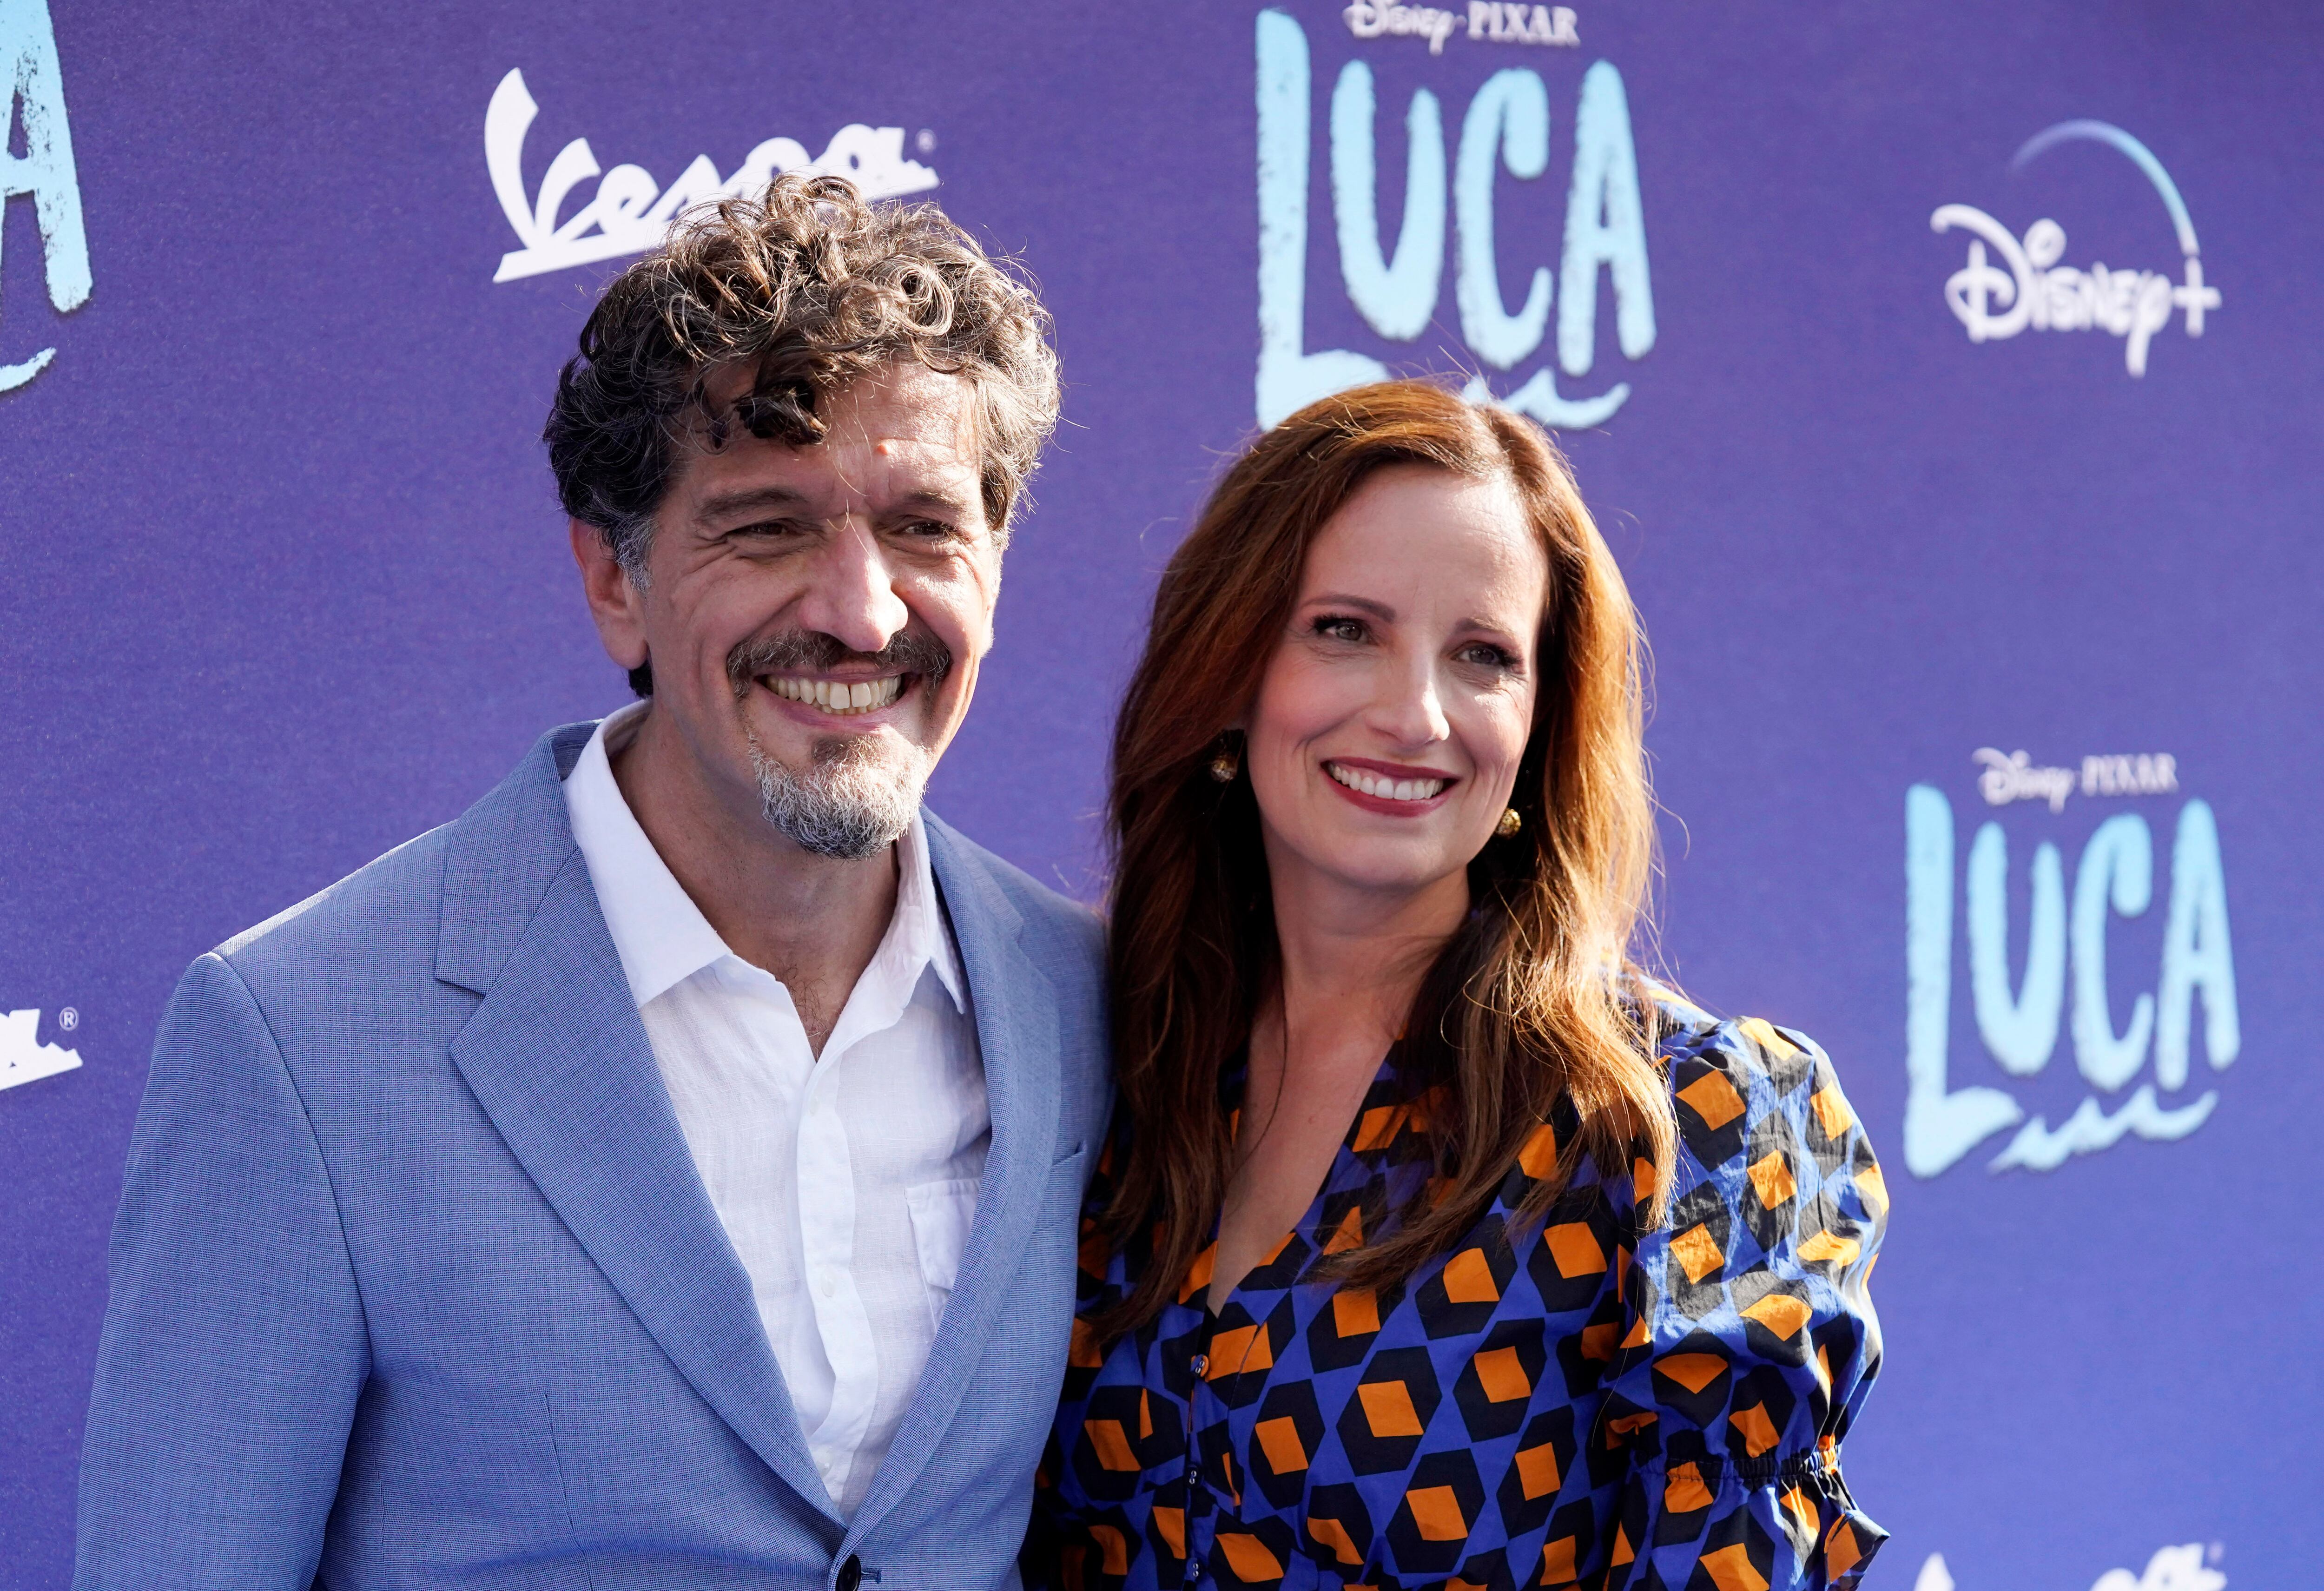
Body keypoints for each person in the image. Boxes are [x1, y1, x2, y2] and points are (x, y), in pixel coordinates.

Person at [76, 175, 1108, 1590]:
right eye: (767, 528)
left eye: (926, 525)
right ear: (613, 579)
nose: (862, 609)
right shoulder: (301, 1041)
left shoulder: (1084, 1002)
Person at [1031, 381, 1887, 1591]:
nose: (1414, 713)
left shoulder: (1680, 1121)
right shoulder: (1101, 1055)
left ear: (1540, 726)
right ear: (1230, 670)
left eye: (1482, 656)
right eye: (1344, 629)